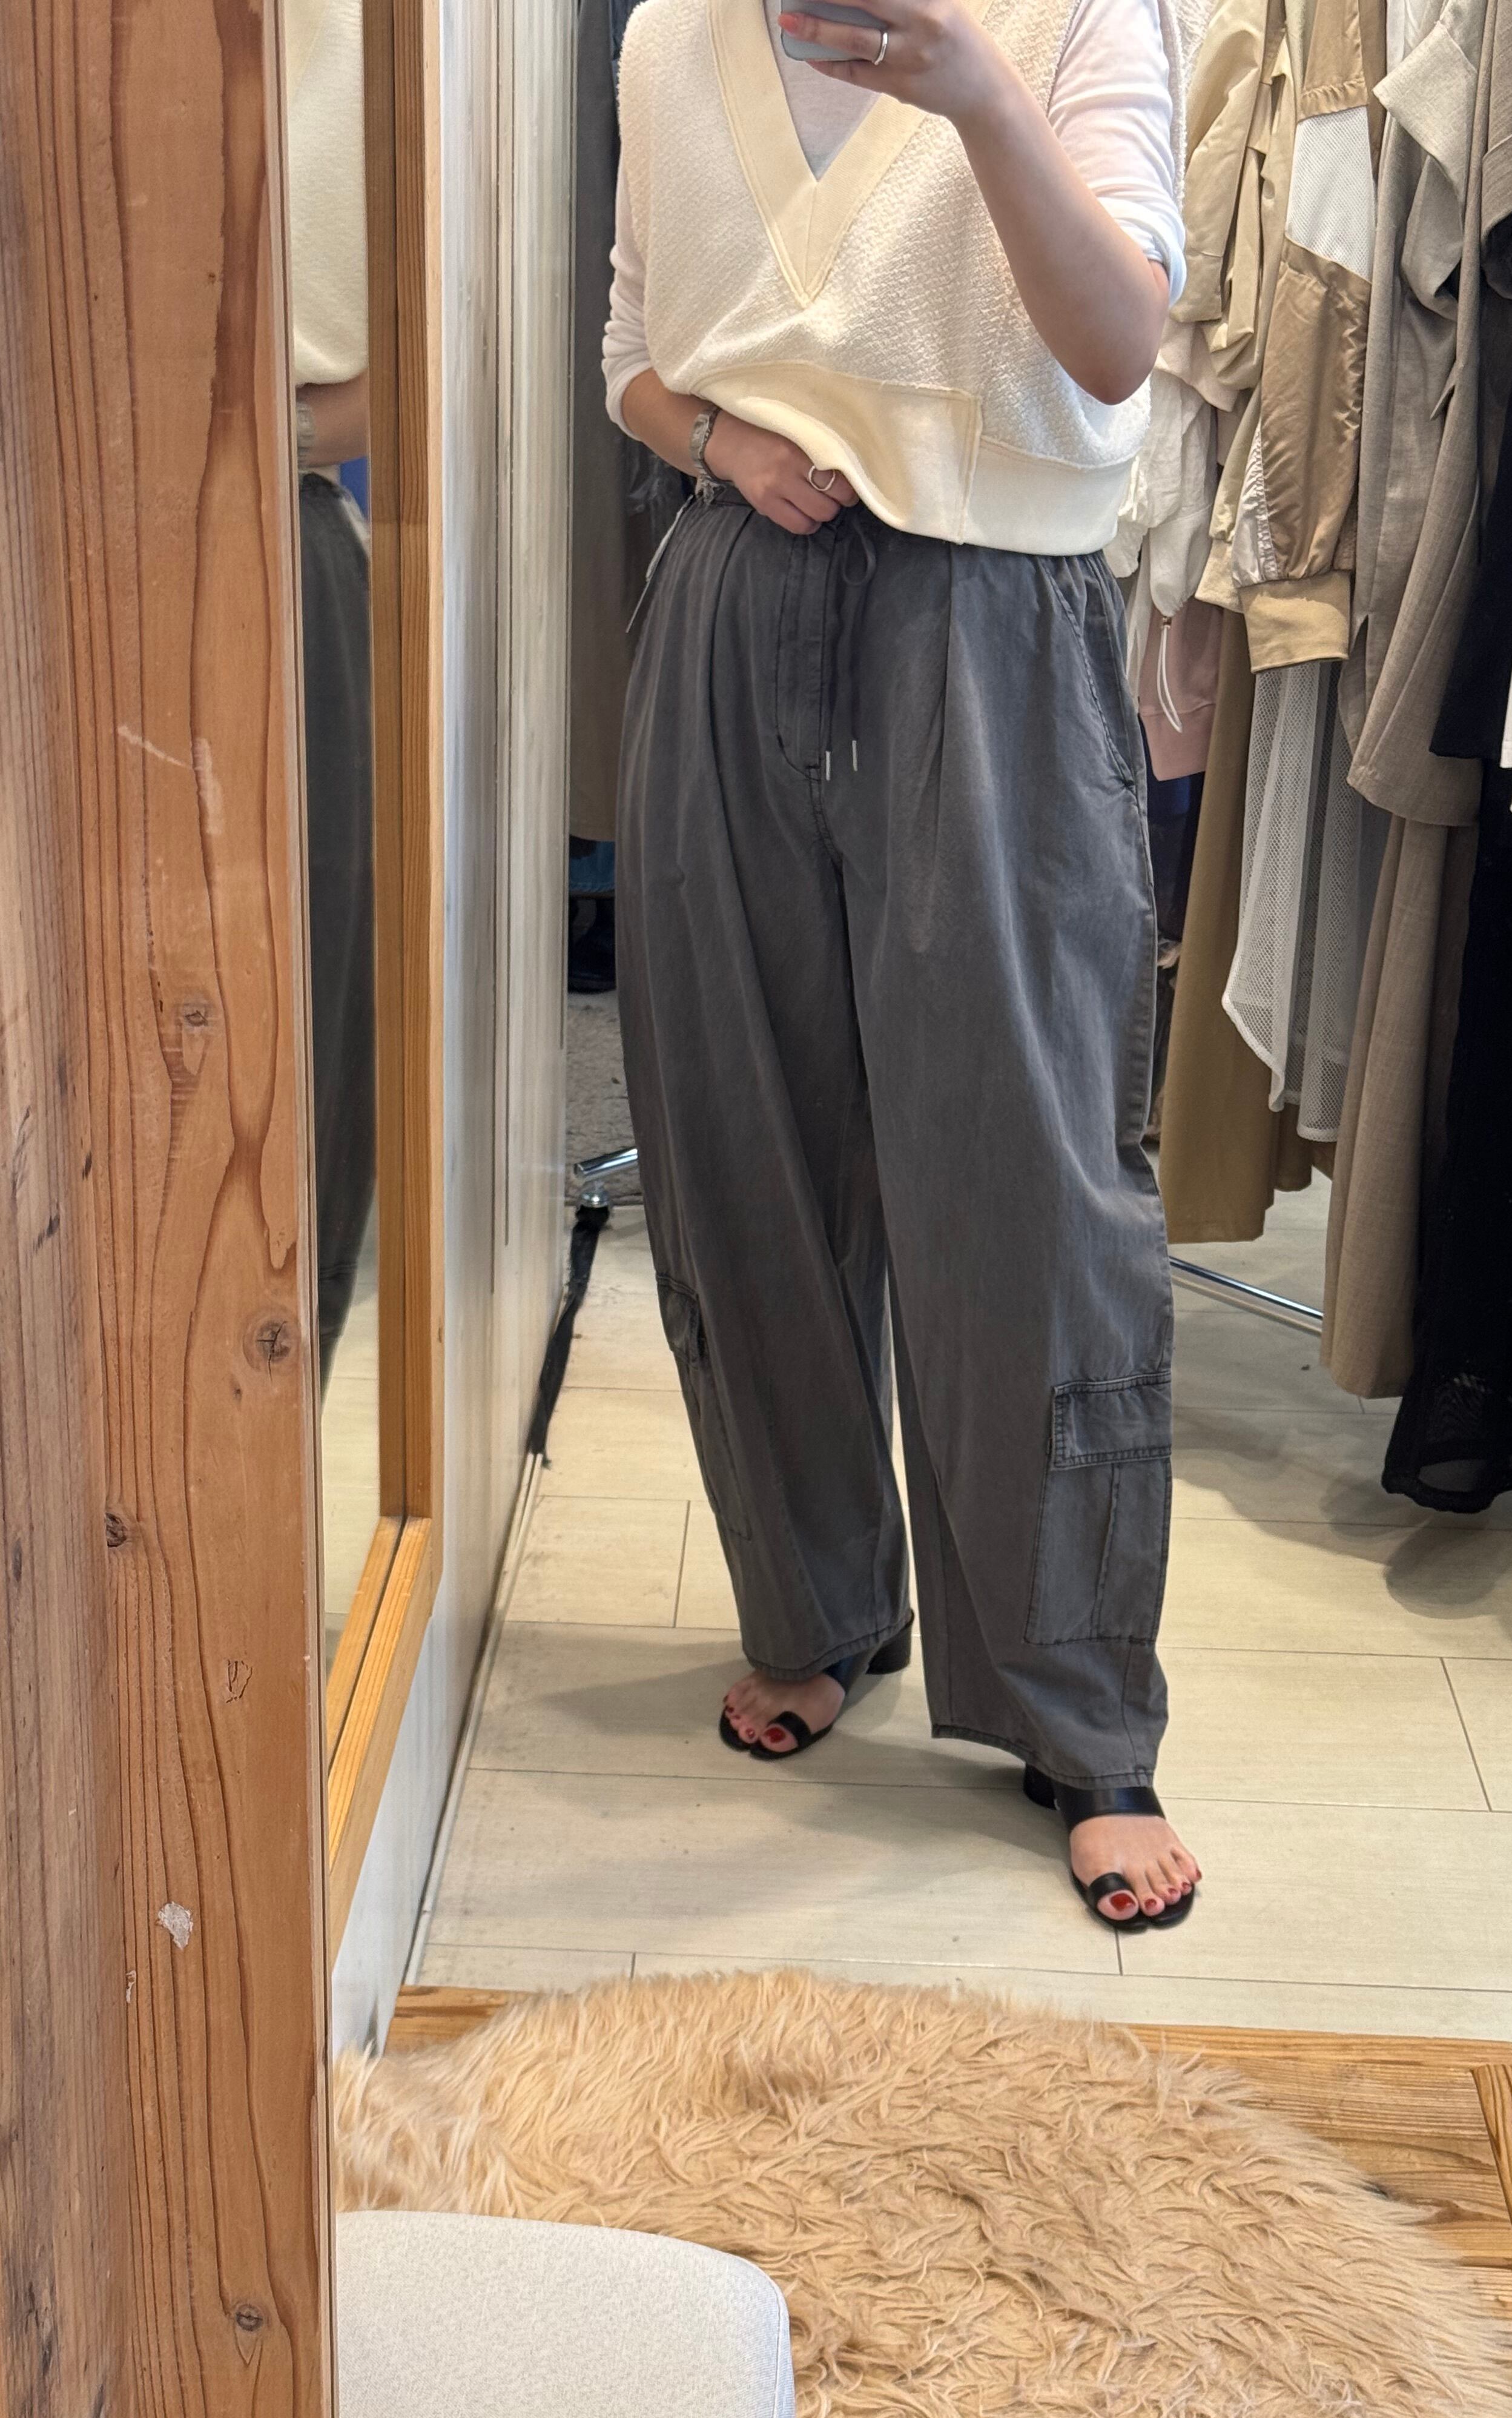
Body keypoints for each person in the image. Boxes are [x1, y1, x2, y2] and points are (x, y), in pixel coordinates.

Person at [606, 0, 1201, 1924]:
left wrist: (971, 90)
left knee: (1025, 1180)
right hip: (728, 603)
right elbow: (632, 353)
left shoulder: (1078, 18)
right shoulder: (667, 35)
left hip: (995, 623)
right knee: (741, 1145)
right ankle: (817, 1605)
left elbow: (1118, 345)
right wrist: (718, 434)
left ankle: (1077, 1711)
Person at [286, 0, 376, 1385]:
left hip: (284, 531)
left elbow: (414, 361)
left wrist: (260, 427)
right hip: (22, 552)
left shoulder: (373, 42)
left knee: (309, 1059)